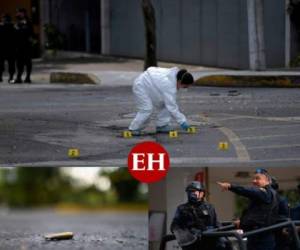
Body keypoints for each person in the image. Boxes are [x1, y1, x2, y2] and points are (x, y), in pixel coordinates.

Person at [217, 168, 279, 250]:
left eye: (258, 178)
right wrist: (242, 221)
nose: (254, 181)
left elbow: (249, 191)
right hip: (256, 236)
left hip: (262, 238)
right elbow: (256, 215)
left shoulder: (266, 193)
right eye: (253, 178)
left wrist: (230, 186)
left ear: (267, 180)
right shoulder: (263, 195)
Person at [129, 67, 194, 135]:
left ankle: (162, 125)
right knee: (146, 109)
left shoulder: (173, 76)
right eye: (184, 87)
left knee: (166, 104)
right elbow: (172, 107)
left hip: (151, 86)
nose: (183, 89)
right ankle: (134, 128)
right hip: (140, 86)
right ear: (179, 81)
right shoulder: (169, 85)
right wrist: (182, 122)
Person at [170, 181, 228, 250]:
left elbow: (216, 223)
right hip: (194, 244)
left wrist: (222, 235)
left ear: (202, 193)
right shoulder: (182, 209)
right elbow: (174, 227)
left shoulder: (209, 207)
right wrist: (190, 232)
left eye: (194, 191)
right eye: (190, 192)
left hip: (211, 242)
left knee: (226, 243)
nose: (192, 194)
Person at [14, 8, 33, 83]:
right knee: (19, 62)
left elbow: (29, 32)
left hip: (26, 45)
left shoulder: (27, 22)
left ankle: (28, 77)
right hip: (18, 46)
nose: (17, 14)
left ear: (23, 13)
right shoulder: (17, 22)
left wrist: (19, 29)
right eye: (17, 13)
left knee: (27, 61)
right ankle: (19, 77)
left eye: (19, 13)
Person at [0, 14, 16, 83]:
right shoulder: (13, 26)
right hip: (10, 48)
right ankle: (11, 77)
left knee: (2, 63)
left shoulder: (2, 26)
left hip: (4, 48)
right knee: (10, 63)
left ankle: (2, 77)